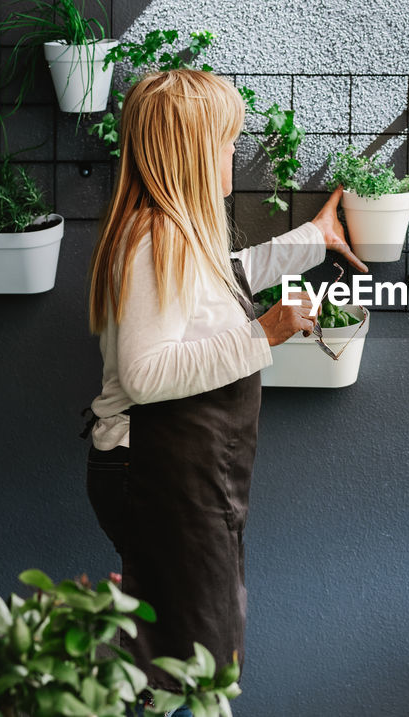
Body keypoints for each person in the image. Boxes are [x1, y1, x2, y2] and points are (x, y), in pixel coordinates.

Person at [81, 68, 366, 715]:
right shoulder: (153, 240)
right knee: (197, 659)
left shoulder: (174, 237)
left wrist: (309, 241)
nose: (234, 151)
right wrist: (264, 332)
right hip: (158, 474)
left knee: (186, 646)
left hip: (180, 475)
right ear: (189, 152)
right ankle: (102, 648)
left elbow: (224, 279)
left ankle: (112, 635)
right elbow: (146, 372)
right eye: (225, 141)